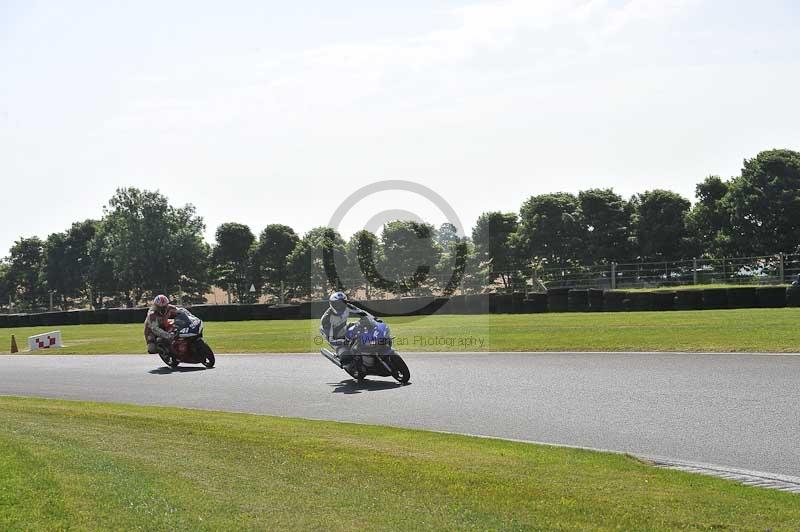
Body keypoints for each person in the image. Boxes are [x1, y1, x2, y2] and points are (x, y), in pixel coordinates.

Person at [320, 291, 367, 371]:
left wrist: (373, 319)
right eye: (337, 304)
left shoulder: (348, 306)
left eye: (342, 303)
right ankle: (345, 362)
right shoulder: (326, 319)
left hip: (344, 328)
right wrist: (343, 341)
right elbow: (331, 340)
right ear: (332, 304)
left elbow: (362, 313)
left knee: (360, 328)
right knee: (346, 357)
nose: (340, 306)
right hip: (333, 336)